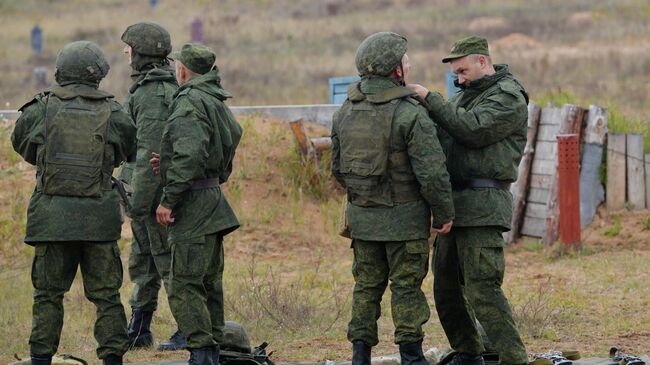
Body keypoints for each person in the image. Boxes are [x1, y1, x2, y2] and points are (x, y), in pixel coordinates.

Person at [331, 32, 454, 365]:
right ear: (395, 71)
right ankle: (412, 358)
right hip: (406, 222)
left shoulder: (345, 110)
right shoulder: (410, 113)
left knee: (366, 288)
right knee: (406, 288)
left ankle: (360, 356)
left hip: (363, 221)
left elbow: (337, 168)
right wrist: (443, 213)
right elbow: (431, 172)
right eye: (406, 60)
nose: (409, 64)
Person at [11, 41, 136, 365]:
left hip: (52, 220)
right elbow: (128, 150)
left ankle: (40, 360)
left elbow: (23, 146)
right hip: (98, 220)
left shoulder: (39, 108)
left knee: (48, 296)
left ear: (61, 70)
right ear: (98, 74)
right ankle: (112, 360)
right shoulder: (115, 112)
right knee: (107, 297)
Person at [407, 35, 529, 365]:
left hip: (484, 203)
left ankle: (514, 358)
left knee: (482, 289)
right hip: (454, 204)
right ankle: (469, 351)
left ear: (482, 62)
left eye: (462, 71)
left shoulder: (507, 96)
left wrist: (429, 98)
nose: (458, 79)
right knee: (445, 288)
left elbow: (472, 130)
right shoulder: (464, 98)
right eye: (455, 74)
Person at [150, 43, 242, 365]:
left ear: (184, 70)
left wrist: (168, 199)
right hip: (212, 200)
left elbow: (191, 154)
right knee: (209, 281)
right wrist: (209, 171)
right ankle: (214, 349)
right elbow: (232, 134)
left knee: (185, 283)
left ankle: (202, 353)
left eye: (177, 66)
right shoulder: (214, 98)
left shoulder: (189, 100)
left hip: (193, 207)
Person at [119, 21, 186, 351]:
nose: (125, 53)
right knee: (143, 263)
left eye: (129, 48)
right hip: (145, 194)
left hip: (152, 195)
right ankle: (140, 329)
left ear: (141, 53)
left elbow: (150, 152)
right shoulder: (148, 89)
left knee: (166, 261)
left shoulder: (153, 95)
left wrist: (142, 203)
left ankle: (188, 329)